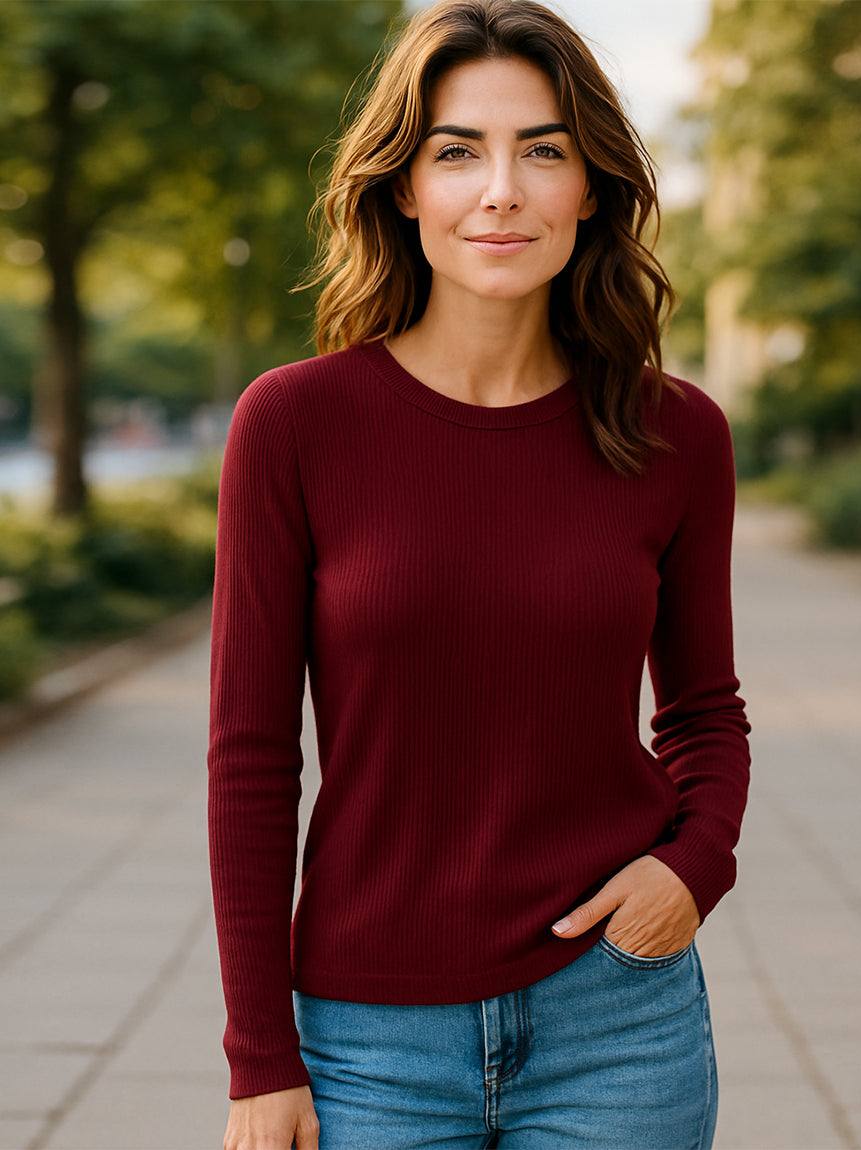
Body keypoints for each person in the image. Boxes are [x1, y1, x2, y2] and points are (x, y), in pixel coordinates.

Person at [206, 1, 752, 1147]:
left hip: (618, 1024)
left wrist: (695, 868)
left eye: (542, 150)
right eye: (457, 151)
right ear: (404, 188)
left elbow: (703, 710)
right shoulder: (296, 424)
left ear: (590, 187)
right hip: (368, 1043)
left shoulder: (676, 434)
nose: (500, 189)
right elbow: (252, 757)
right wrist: (261, 1053)